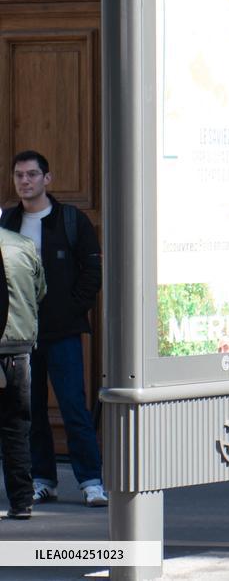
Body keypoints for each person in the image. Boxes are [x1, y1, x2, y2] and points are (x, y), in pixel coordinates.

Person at [0, 151, 107, 507]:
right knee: (29, 411)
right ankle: (43, 479)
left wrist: (71, 308)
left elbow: (92, 273)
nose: (25, 181)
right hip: (20, 336)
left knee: (73, 406)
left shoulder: (71, 220)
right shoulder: (8, 222)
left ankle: (91, 481)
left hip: (62, 333)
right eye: (19, 175)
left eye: (32, 175)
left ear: (48, 179)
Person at [0, 221, 46, 519]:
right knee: (16, 428)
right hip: (17, 348)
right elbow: (40, 291)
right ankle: (21, 502)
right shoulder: (23, 246)